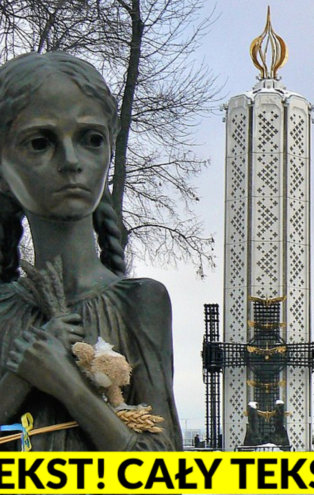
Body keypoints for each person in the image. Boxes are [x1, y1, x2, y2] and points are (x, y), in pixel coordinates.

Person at [0, 52, 181, 451]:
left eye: (91, 140)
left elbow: (161, 467)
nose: (71, 161)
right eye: (40, 143)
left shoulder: (140, 303)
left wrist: (67, 383)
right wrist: (19, 378)